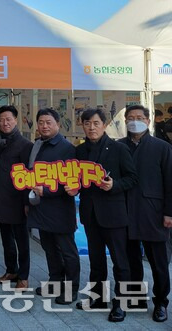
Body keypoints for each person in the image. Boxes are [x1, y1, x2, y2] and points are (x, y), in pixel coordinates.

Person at [73, 108, 137, 322]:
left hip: (114, 214)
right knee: (96, 259)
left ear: (104, 124)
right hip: (90, 214)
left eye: (96, 123)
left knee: (120, 261)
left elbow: (132, 178)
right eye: (87, 123)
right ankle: (98, 297)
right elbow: (79, 179)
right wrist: (75, 187)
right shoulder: (80, 152)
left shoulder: (119, 149)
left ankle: (122, 303)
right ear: (82, 125)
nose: (91, 127)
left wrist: (114, 185)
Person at [119, 105, 172, 323]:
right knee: (130, 259)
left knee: (158, 260)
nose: (134, 121)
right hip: (124, 211)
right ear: (125, 121)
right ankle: (135, 296)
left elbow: (170, 182)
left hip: (154, 212)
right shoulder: (118, 146)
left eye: (139, 117)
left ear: (149, 121)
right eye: (130, 118)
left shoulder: (162, 147)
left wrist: (169, 213)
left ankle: (161, 302)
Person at [26, 108, 80, 305]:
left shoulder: (66, 148)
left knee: (67, 250)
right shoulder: (38, 145)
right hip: (40, 208)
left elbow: (71, 182)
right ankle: (55, 282)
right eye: (41, 122)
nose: (44, 126)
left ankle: (72, 288)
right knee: (49, 248)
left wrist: (46, 191)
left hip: (59, 209)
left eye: (48, 122)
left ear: (57, 124)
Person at [0, 106, 33, 291]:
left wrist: (26, 202)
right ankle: (11, 270)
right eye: (1, 119)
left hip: (17, 199)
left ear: (16, 120)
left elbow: (29, 174)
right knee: (6, 238)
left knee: (22, 239)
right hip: (1, 196)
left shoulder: (25, 144)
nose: (5, 123)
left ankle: (23, 276)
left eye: (8, 119)